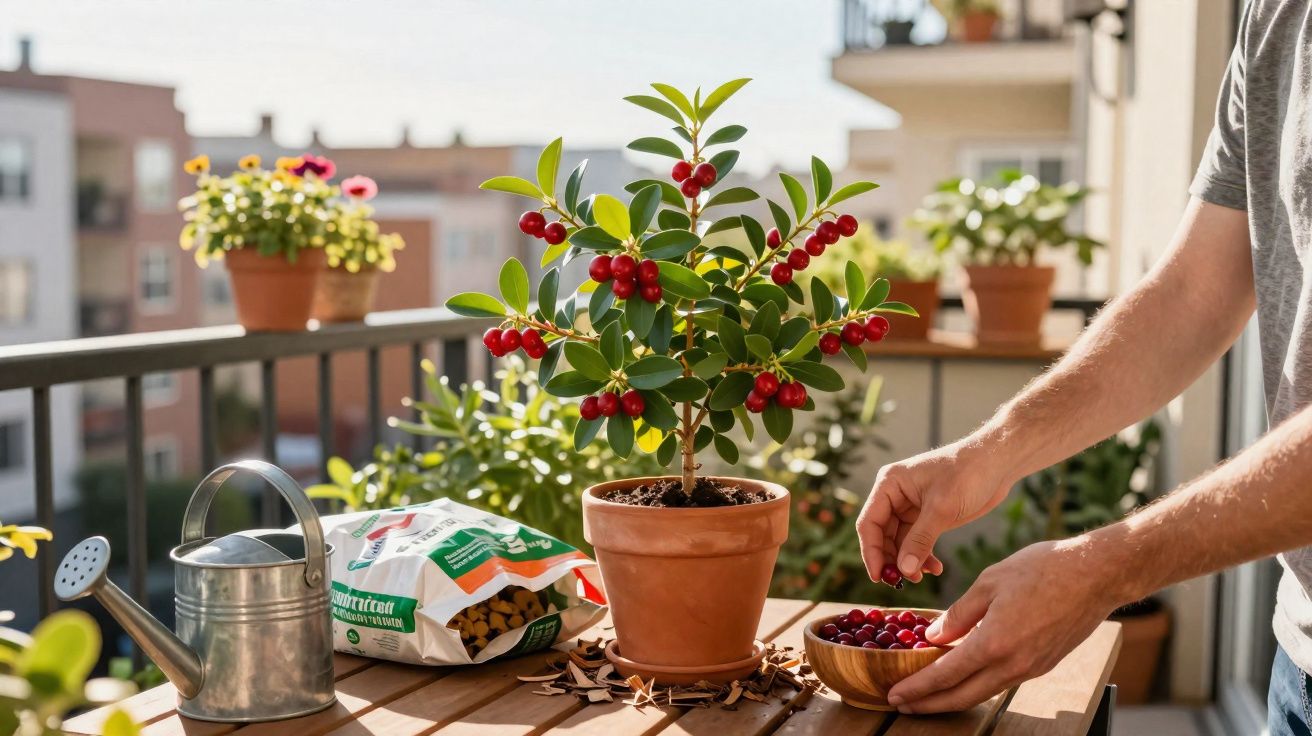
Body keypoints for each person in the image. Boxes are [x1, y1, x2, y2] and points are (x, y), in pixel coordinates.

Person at [856, 3, 1312, 730]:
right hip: (1301, 652)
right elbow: (1191, 295)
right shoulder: (1273, 18)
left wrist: (1105, 570)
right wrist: (990, 452)